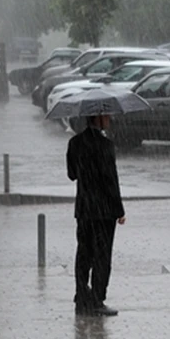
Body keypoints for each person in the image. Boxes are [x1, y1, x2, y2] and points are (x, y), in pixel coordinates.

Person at [67, 112, 126, 316]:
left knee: (84, 254)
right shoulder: (106, 145)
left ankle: (81, 297)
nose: (109, 120)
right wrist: (119, 210)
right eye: (106, 116)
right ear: (98, 119)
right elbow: (111, 181)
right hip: (104, 212)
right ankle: (97, 300)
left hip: (84, 209)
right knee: (102, 256)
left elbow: (71, 174)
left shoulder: (75, 143)